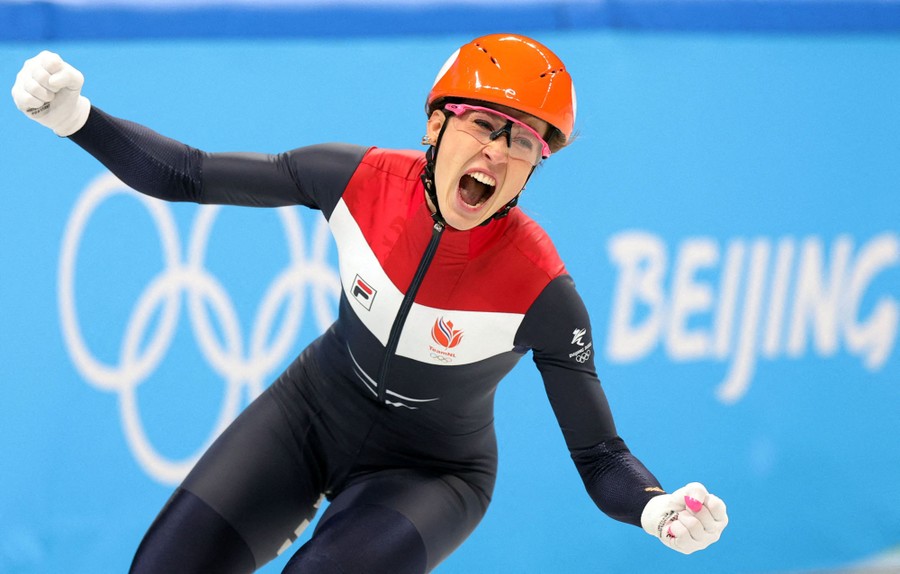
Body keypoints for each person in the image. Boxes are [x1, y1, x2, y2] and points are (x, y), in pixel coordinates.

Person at [12, 34, 728, 573]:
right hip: (308, 415)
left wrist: (655, 507)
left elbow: (601, 456)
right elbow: (191, 175)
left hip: (433, 473)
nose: (498, 153)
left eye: (524, 142)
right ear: (436, 127)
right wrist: (77, 117)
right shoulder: (355, 179)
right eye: (483, 124)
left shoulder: (542, 290)